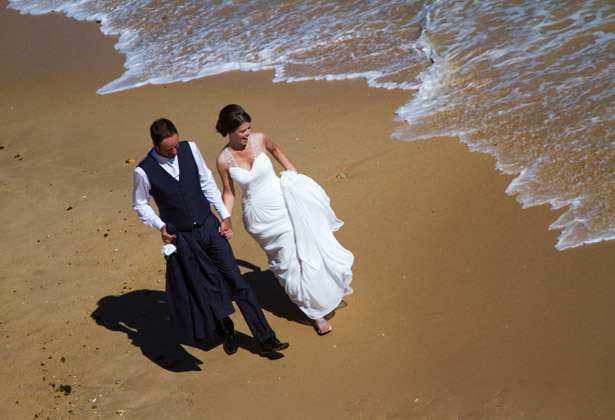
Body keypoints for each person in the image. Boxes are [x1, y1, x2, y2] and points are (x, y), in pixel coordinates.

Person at [132, 117, 289, 356]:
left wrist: (224, 215)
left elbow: (206, 183)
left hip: (209, 225)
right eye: (168, 149)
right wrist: (160, 224)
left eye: (176, 145)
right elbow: (140, 204)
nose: (174, 151)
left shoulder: (190, 148)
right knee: (207, 286)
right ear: (155, 144)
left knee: (237, 281)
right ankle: (226, 331)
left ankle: (266, 337)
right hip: (183, 237)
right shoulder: (143, 171)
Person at [215, 104, 354, 335]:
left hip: (282, 206)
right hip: (258, 219)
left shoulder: (260, 139)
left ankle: (315, 310)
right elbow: (228, 192)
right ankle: (310, 306)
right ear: (230, 131)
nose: (248, 133)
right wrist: (225, 218)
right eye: (242, 131)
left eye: (249, 128)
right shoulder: (223, 159)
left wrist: (296, 179)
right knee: (285, 264)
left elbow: (277, 151)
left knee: (303, 253)